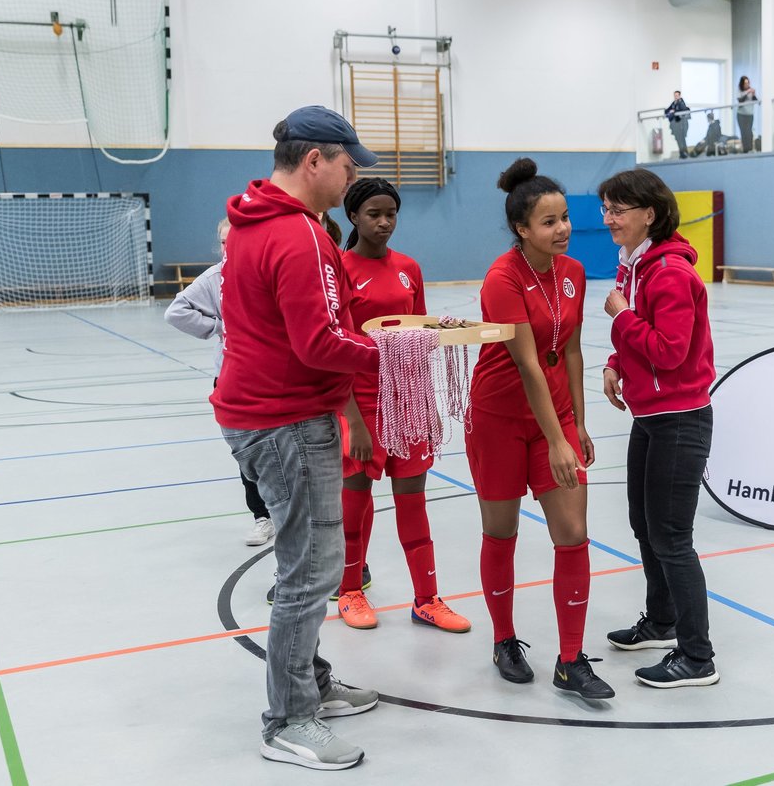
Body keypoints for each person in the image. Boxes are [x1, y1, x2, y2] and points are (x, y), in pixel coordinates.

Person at [212, 106, 381, 770]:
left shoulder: (255, 222)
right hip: (283, 420)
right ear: (315, 160)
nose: (351, 179)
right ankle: (289, 719)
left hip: (256, 413)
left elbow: (309, 321)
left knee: (305, 563)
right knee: (310, 572)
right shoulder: (298, 234)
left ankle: (308, 682)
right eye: (347, 166)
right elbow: (318, 344)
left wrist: (385, 335)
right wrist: (394, 355)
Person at [465, 157, 612, 699]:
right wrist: (556, 440)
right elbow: (528, 363)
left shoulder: (572, 273)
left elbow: (570, 350)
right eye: (548, 222)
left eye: (565, 217)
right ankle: (504, 639)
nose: (563, 229)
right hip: (501, 420)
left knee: (572, 534)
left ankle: (571, 660)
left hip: (555, 418)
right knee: (501, 531)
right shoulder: (502, 279)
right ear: (521, 230)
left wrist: (576, 424)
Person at [333, 177, 471, 635]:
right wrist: (352, 418)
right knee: (354, 505)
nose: (385, 222)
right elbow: (336, 348)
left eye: (391, 213)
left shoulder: (409, 267)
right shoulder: (340, 269)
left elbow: (420, 331)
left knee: (413, 503)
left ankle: (427, 600)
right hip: (361, 403)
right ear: (353, 216)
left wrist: (441, 330)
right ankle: (350, 590)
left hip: (409, 401)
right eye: (374, 213)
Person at [598, 168, 718, 689]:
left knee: (671, 536)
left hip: (679, 420)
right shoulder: (636, 265)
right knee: (644, 526)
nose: (608, 219)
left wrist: (621, 317)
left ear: (649, 213)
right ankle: (662, 621)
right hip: (650, 417)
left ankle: (697, 657)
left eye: (618, 209)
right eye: (605, 209)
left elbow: (669, 352)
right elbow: (638, 336)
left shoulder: (669, 272)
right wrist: (614, 361)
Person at [165, 218, 274, 547]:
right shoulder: (215, 278)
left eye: (235, 240)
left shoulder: (268, 274)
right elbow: (176, 311)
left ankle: (289, 510)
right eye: (223, 242)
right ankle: (262, 516)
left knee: (280, 448)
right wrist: (217, 328)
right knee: (245, 451)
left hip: (272, 377)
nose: (229, 248)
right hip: (231, 378)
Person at [665, 91, 690, 159]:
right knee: (678, 140)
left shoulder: (681, 103)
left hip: (680, 125)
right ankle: (682, 153)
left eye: (677, 95)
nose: (675, 97)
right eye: (674, 95)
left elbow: (683, 110)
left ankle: (685, 153)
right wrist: (671, 111)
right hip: (675, 125)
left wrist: (674, 111)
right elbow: (667, 110)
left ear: (679, 96)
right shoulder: (674, 103)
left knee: (682, 139)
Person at [736, 75, 758, 153]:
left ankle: (750, 148)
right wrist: (746, 93)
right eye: (745, 83)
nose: (747, 85)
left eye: (748, 83)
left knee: (749, 131)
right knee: (743, 131)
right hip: (741, 114)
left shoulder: (751, 90)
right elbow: (740, 100)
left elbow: (756, 101)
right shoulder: (739, 91)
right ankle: (745, 149)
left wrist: (753, 94)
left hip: (750, 114)